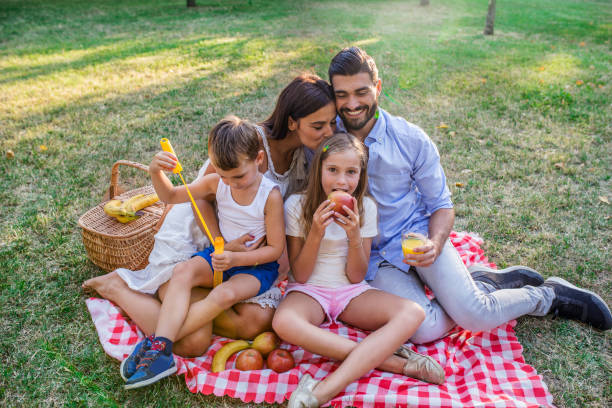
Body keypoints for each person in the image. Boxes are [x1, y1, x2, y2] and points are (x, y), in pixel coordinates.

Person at [326, 46, 611, 344]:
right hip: (373, 259)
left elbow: (441, 204)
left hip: (417, 237)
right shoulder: (326, 141)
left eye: (361, 92)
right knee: (423, 330)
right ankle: (481, 283)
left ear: (378, 87)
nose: (352, 103)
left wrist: (435, 244)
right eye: (342, 94)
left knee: (476, 315)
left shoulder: (410, 139)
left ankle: (547, 296)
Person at [82, 74, 336, 356]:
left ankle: (176, 312)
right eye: (318, 125)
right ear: (292, 122)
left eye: (331, 123)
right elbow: (198, 200)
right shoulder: (242, 142)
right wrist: (220, 244)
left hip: (237, 258)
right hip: (196, 243)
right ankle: (118, 287)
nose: (329, 131)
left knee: (255, 322)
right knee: (192, 343)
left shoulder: (302, 158)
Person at [273, 133, 445, 408]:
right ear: (319, 169)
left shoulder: (365, 208)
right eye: (333, 170)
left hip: (349, 291)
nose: (342, 181)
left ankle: (323, 391)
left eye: (351, 172)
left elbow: (356, 276)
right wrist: (316, 232)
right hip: (307, 291)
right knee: (283, 322)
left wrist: (354, 236)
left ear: (361, 174)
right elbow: (301, 274)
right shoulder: (297, 205)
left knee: (414, 312)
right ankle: (392, 362)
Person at [124, 116, 285, 389]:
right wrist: (156, 172)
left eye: (238, 176)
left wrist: (237, 258)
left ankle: (154, 345)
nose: (231, 183)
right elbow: (172, 196)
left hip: (255, 265)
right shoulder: (217, 183)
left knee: (224, 294)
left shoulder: (270, 196)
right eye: (223, 176)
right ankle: (161, 348)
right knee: (183, 270)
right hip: (222, 254)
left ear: (258, 159)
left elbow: (275, 250)